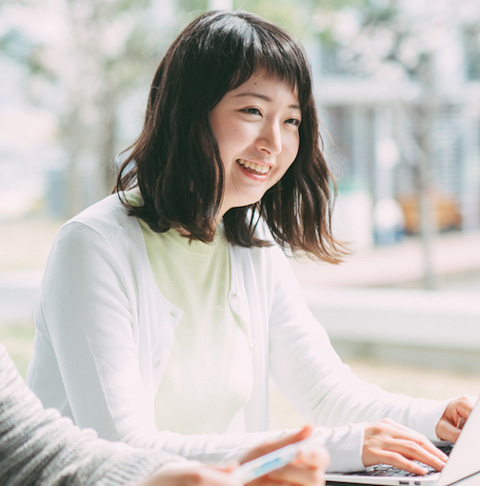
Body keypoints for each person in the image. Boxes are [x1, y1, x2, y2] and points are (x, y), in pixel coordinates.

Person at [26, 8, 474, 478]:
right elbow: (124, 447)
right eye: (253, 111)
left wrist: (436, 418)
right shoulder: (90, 247)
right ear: (189, 113)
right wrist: (340, 446)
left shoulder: (251, 246)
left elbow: (324, 390)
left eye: (291, 121)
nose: (274, 143)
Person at [0, 342, 328, 486]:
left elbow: (25, 448)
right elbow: (123, 435)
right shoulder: (90, 241)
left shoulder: (256, 248)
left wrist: (155, 478)